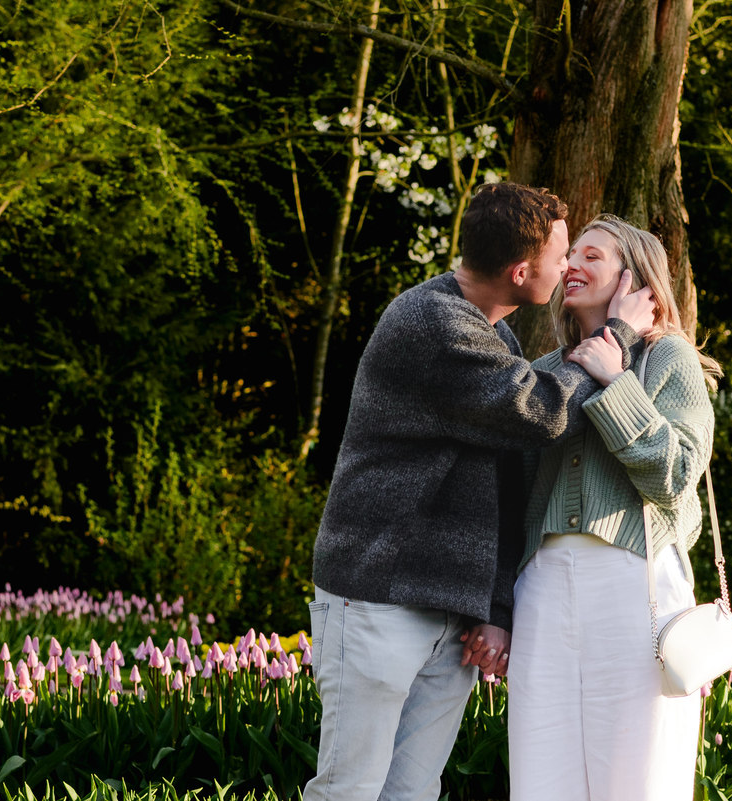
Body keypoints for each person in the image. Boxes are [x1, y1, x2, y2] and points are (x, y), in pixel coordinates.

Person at [303, 184, 656, 801]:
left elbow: (503, 485)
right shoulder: (433, 324)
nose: (569, 263)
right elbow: (542, 411)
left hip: (444, 609)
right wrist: (619, 337)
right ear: (522, 272)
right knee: (349, 790)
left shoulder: (495, 338)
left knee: (411, 792)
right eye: (561, 253)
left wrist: (494, 608)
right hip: (380, 598)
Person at [506, 214, 724, 801]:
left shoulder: (670, 361)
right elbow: (514, 499)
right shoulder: (545, 374)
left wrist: (616, 382)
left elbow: (675, 478)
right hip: (544, 587)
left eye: (592, 256)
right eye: (570, 254)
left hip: (636, 583)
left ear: (634, 278)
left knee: (641, 773)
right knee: (539, 770)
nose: (572, 264)